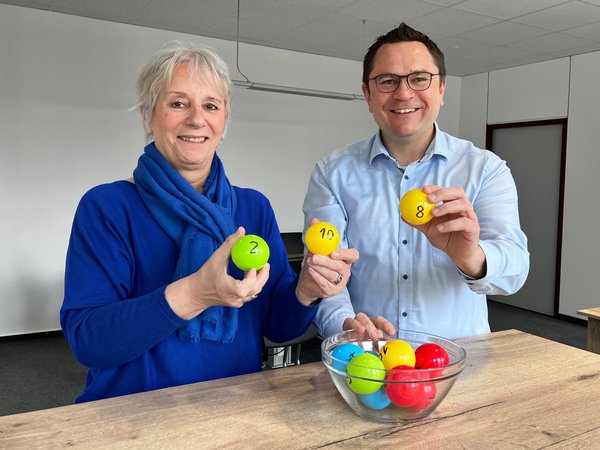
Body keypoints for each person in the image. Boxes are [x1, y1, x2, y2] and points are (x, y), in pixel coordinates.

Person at [60, 43, 357, 403]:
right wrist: (195, 294)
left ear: (223, 123)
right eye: (178, 103)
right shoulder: (108, 206)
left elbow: (277, 327)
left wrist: (306, 289)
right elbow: (90, 342)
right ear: (147, 115)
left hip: (231, 413)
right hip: (132, 418)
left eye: (211, 105)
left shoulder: (253, 207)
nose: (196, 119)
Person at [303, 23, 529, 340]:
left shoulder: (484, 169)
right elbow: (325, 273)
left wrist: (470, 255)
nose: (404, 93)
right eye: (387, 81)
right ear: (367, 94)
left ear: (441, 89)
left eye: (419, 78)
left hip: (462, 363)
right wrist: (345, 324)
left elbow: (515, 270)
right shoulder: (333, 174)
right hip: (368, 363)